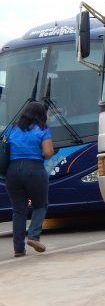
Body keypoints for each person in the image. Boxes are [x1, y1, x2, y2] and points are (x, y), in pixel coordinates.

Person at [5, 101, 54, 257]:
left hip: (12, 171)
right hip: (34, 169)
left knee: (19, 210)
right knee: (40, 205)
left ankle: (18, 249)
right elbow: (48, 153)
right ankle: (33, 236)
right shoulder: (43, 129)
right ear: (41, 115)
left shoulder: (13, 128)